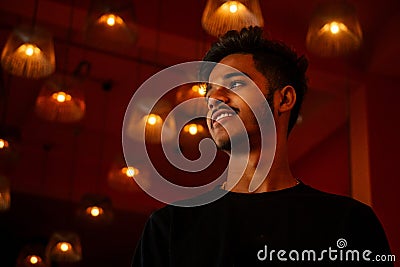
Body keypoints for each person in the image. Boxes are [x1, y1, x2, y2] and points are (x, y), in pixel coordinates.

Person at [132, 26, 393, 266]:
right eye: (209, 92)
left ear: (285, 99)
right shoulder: (168, 228)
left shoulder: (350, 223)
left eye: (234, 84)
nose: (215, 99)